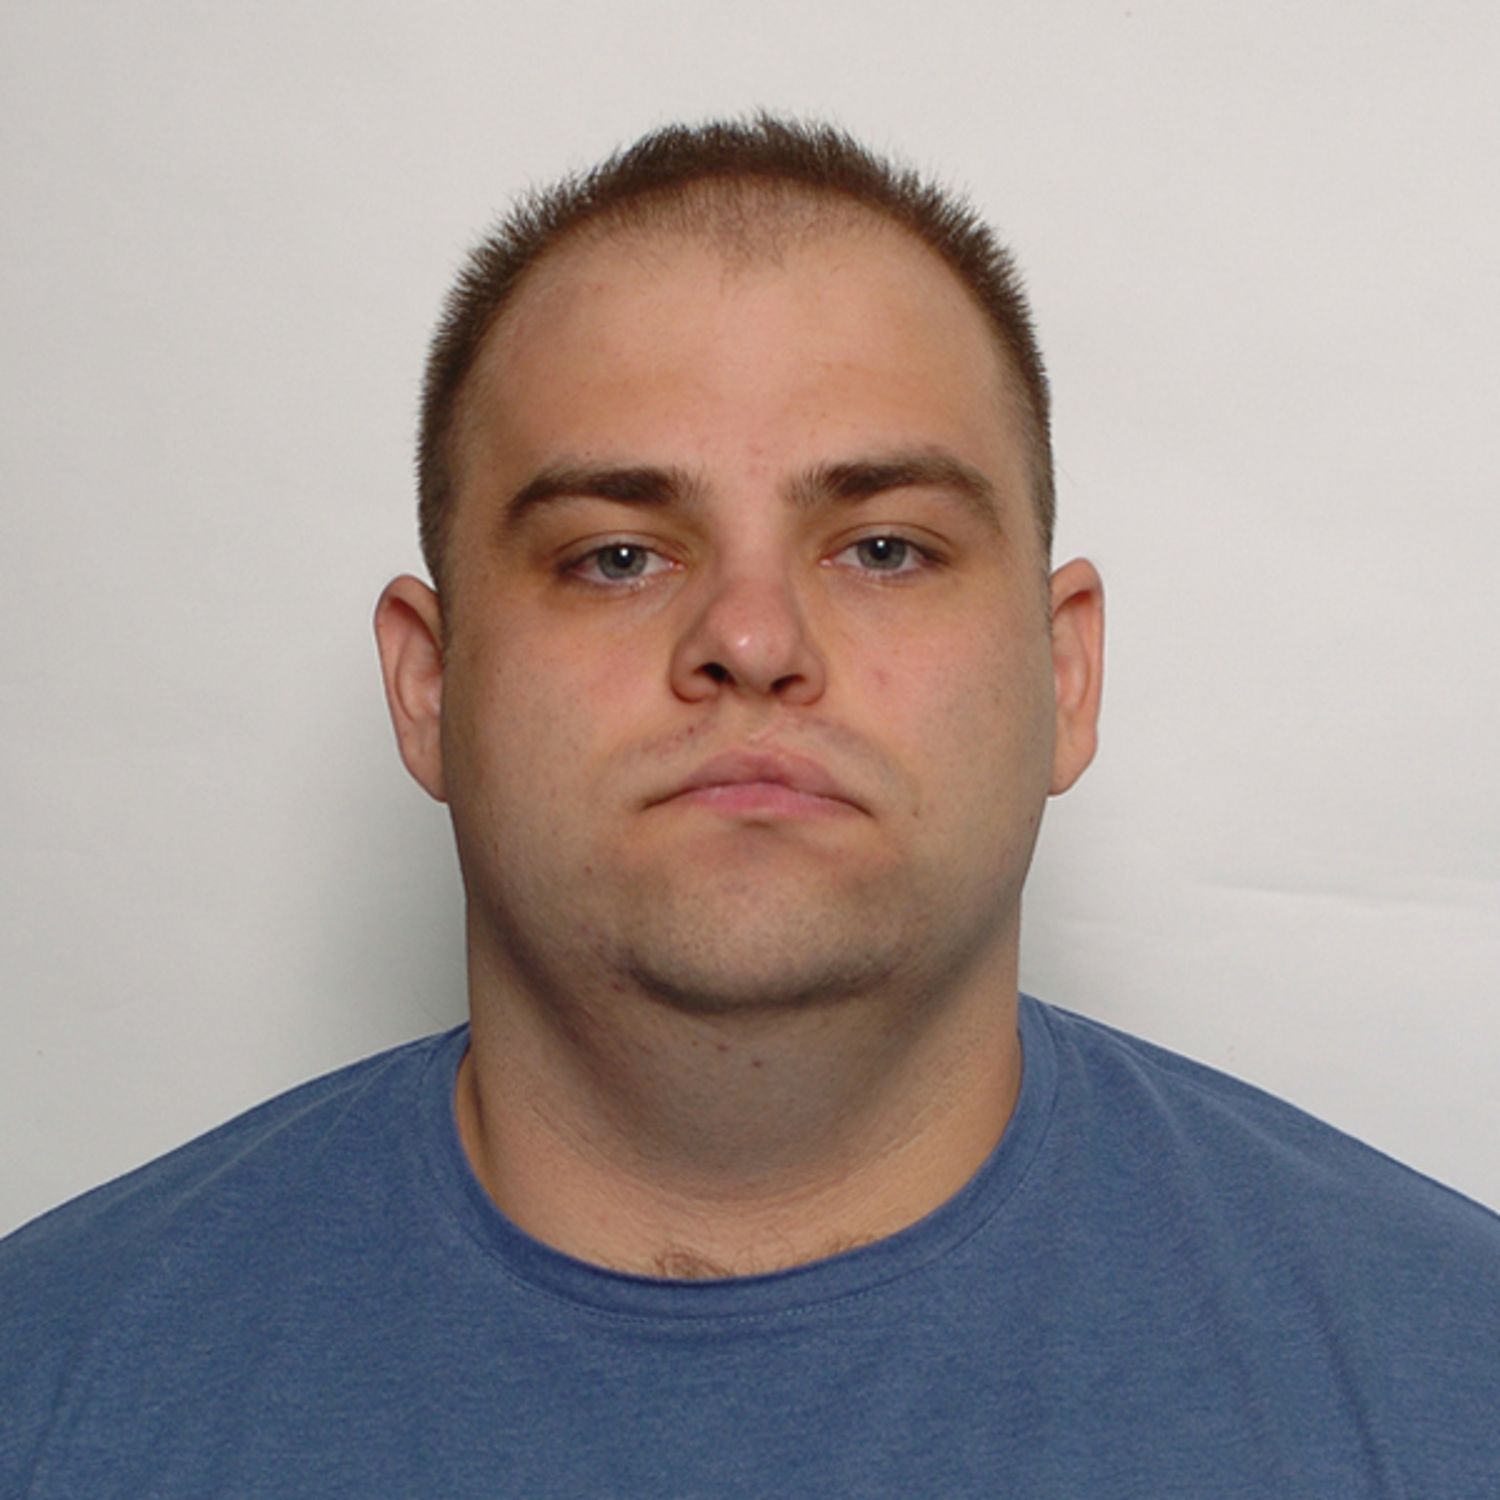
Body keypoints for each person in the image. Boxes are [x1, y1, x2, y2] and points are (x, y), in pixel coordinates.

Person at [3, 115, 1497, 1497]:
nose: (753, 637)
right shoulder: (47, 1390)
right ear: (430, 686)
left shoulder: (1454, 1381)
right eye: (616, 556)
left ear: (1066, 676)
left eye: (886, 548)